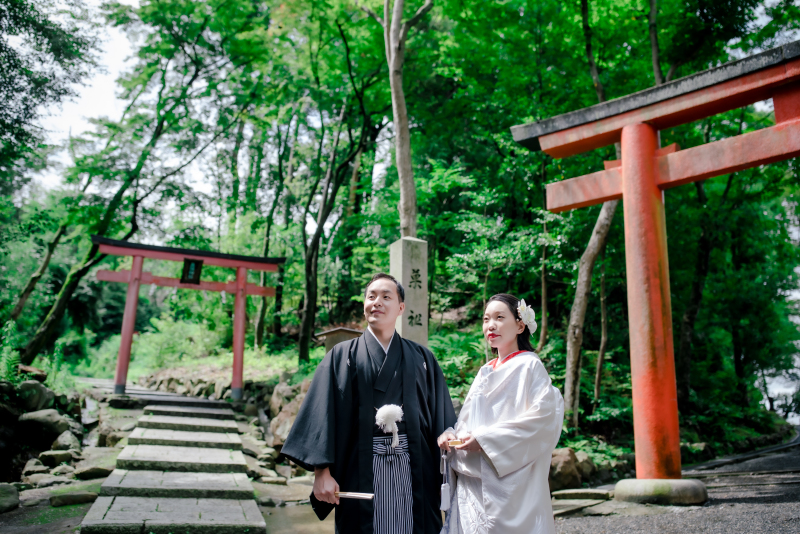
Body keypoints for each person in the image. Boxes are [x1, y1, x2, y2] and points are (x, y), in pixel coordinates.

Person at [281, 273, 457, 534]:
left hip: (414, 469)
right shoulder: (341, 356)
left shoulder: (422, 358)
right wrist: (322, 472)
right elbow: (321, 415)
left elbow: (442, 420)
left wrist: (449, 436)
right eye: (371, 296)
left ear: (400, 308)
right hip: (360, 469)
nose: (377, 302)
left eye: (386, 297)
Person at [438, 293, 564, 534]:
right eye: (486, 319)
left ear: (519, 325)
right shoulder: (486, 370)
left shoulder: (530, 365)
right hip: (473, 482)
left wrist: (486, 441)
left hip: (511, 482)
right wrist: (451, 435)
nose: (490, 325)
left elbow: (542, 420)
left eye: (499, 317)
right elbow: (466, 420)